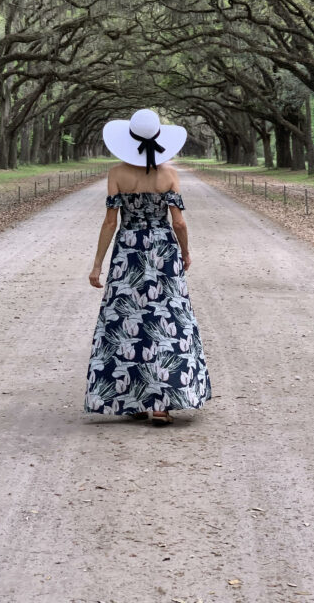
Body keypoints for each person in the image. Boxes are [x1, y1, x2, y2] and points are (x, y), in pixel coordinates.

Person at [84, 108, 211, 425]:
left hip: (129, 251)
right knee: (168, 320)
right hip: (163, 252)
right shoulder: (168, 174)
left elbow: (110, 222)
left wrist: (97, 265)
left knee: (128, 322)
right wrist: (185, 252)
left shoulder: (116, 174)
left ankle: (133, 400)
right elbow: (178, 222)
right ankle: (162, 405)